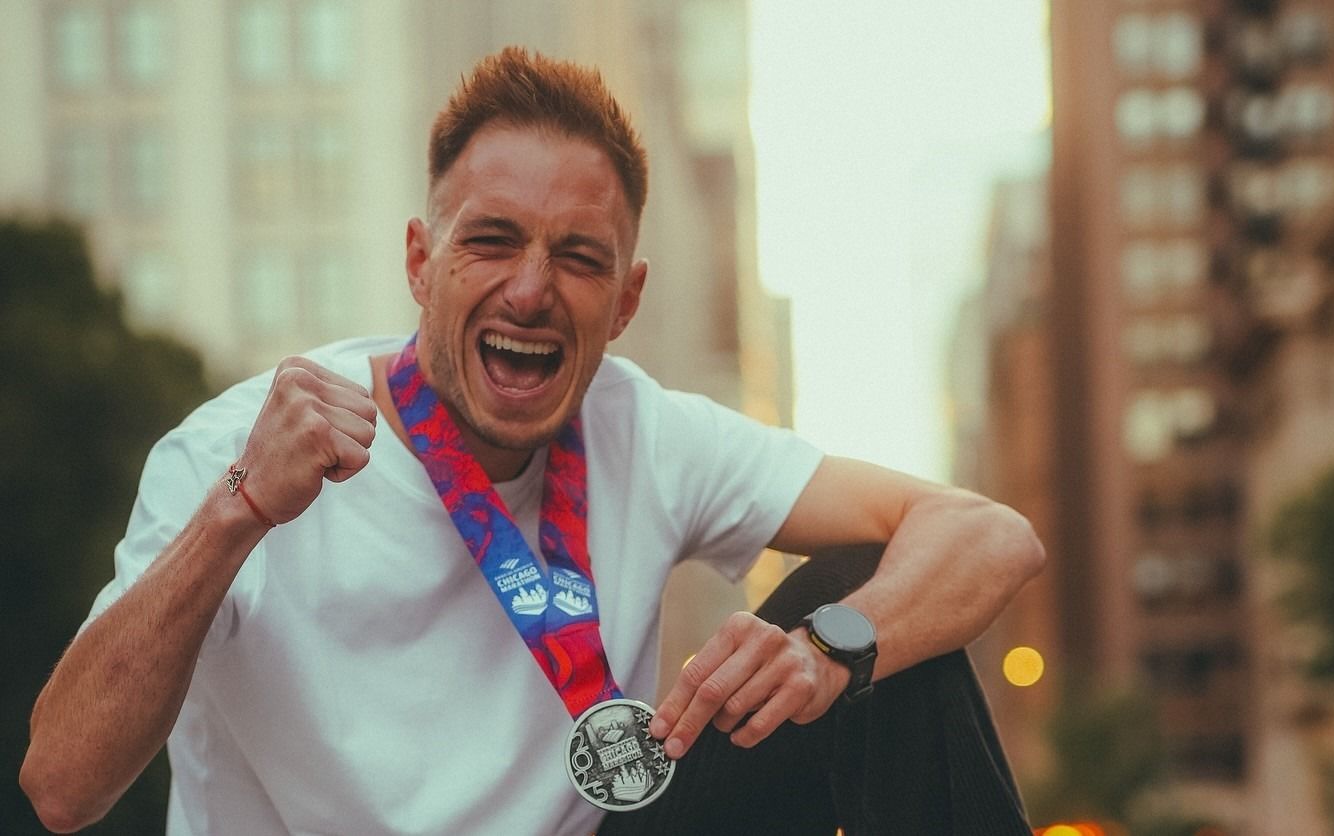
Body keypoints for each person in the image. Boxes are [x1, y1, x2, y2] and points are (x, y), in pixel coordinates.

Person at [20, 47, 1044, 835]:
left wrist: (828, 652)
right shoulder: (233, 453)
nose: (529, 289)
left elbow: (989, 533)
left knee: (873, 597)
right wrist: (239, 512)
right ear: (422, 260)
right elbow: (61, 784)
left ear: (626, 298)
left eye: (578, 256)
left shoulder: (644, 427)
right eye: (492, 239)